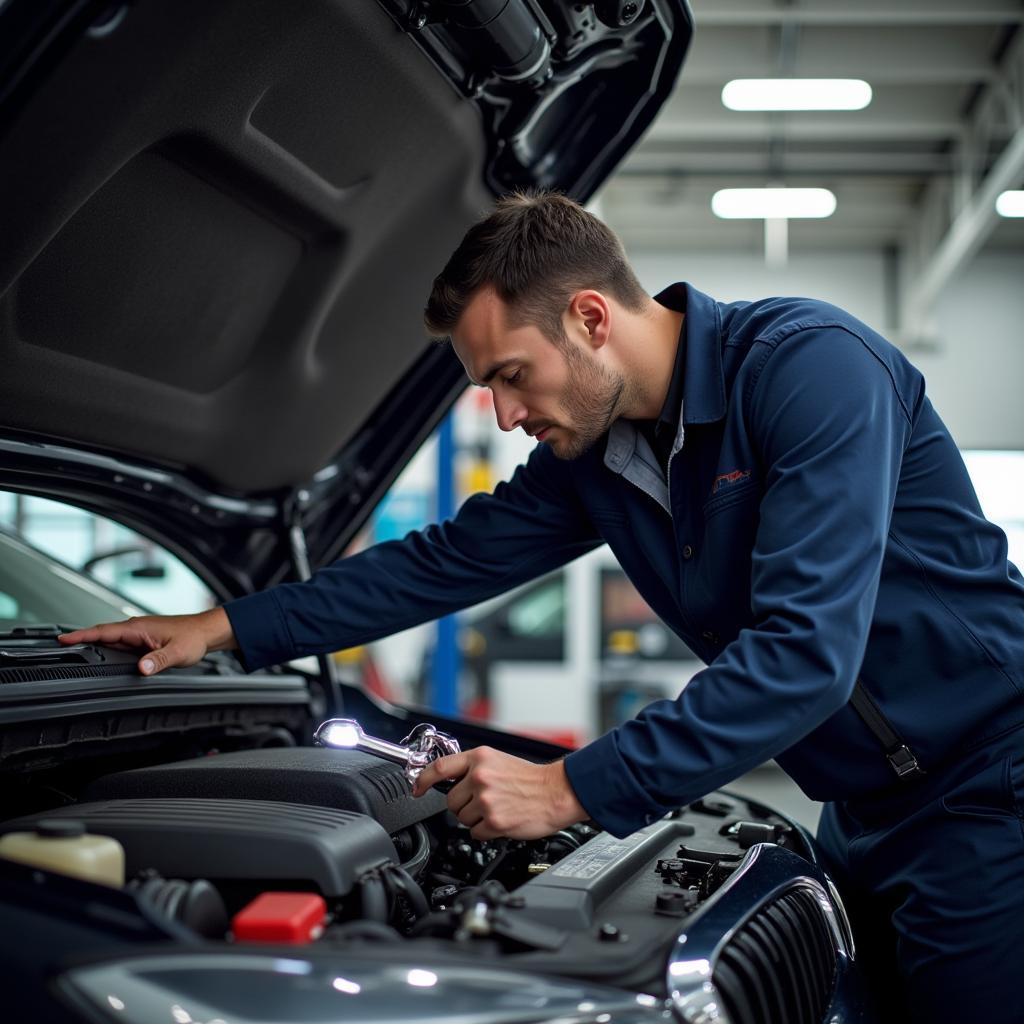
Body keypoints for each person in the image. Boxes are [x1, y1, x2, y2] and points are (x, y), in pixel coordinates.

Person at [60, 192, 1024, 1023]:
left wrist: (567, 789)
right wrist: (226, 627)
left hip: (987, 786)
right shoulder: (598, 458)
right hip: (858, 804)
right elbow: (440, 564)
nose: (506, 415)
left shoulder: (810, 370)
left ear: (594, 318)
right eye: (487, 389)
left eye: (511, 375)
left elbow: (807, 656)